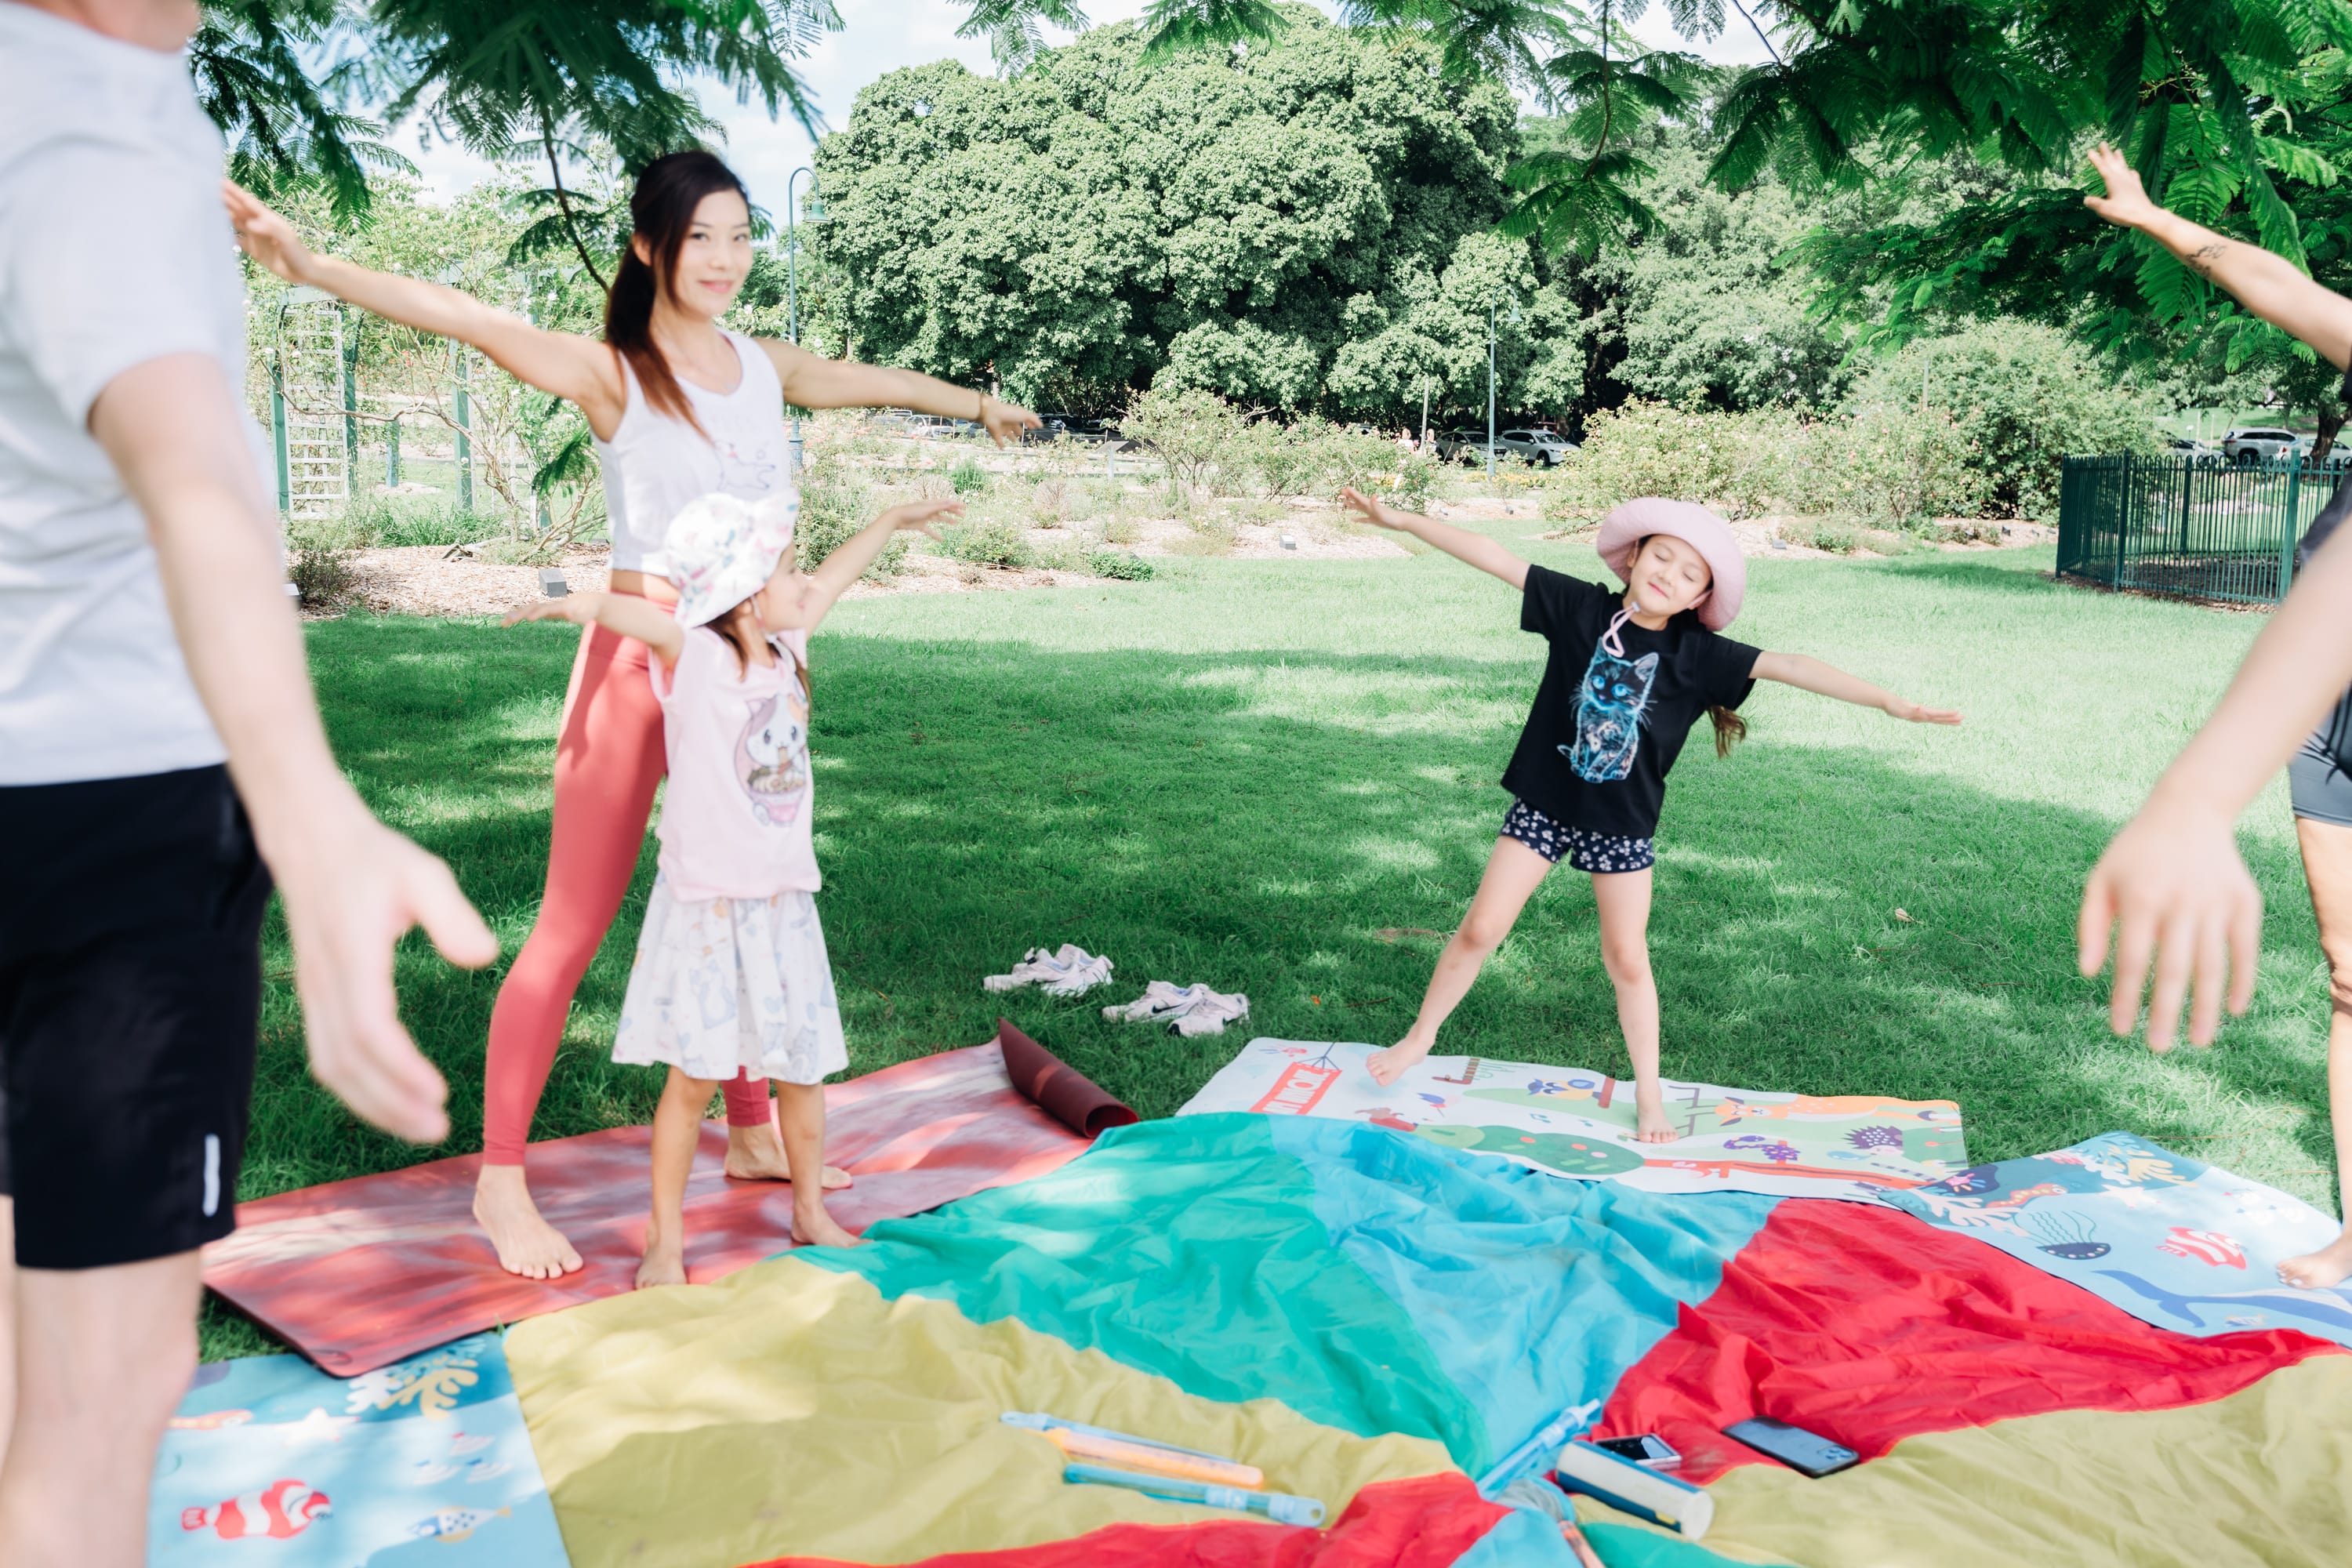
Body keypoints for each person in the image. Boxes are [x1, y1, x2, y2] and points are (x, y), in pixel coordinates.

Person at [224, 151, 1041, 1279]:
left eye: (743, 236)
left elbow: (876, 381)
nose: (727, 259)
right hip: (638, 660)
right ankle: (500, 1181)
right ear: (652, 248)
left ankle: (751, 1128)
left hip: (750, 667)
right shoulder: (617, 373)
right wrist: (309, 266)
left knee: (744, 884)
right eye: (703, 237)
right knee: (570, 926)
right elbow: (463, 318)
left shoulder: (765, 367)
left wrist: (980, 404)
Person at [0, 2, 498, 1564]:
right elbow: (203, 489)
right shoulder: (90, 139)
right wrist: (317, 822)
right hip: (107, 832)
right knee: (94, 1413)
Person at [1338, 489, 1962, 1139]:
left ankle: (1651, 1096)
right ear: (1634, 557)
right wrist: (1401, 519)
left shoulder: (1699, 656)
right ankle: (1418, 1040)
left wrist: (1894, 704)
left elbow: (1792, 665)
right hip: (1548, 803)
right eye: (1662, 557)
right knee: (1479, 928)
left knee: (1626, 958)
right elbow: (1496, 556)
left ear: (1700, 599)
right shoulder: (1580, 608)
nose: (1670, 574)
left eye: (1691, 573)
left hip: (1621, 824)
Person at [509, 491, 958, 1282]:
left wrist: (889, 521)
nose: (805, 579)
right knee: (693, 1080)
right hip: (710, 905)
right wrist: (564, 601)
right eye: (789, 567)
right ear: (747, 590)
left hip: (785, 899)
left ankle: (811, 1209)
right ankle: (665, 1243)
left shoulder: (787, 647)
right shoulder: (697, 655)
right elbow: (632, 616)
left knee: (803, 1070)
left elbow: (836, 579)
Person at [2078, 143, 2352, 1288]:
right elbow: (2278, 283)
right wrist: (2153, 221)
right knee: (2350, 972)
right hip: (2330, 710)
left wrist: (2195, 799)